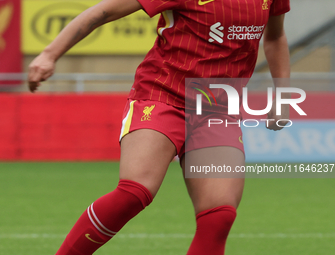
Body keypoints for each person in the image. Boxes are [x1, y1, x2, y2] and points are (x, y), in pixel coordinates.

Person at [28, 0, 291, 254]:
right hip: (163, 94)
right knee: (135, 192)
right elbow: (105, 11)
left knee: (219, 215)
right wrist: (49, 54)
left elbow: (275, 37)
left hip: (216, 108)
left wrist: (282, 95)